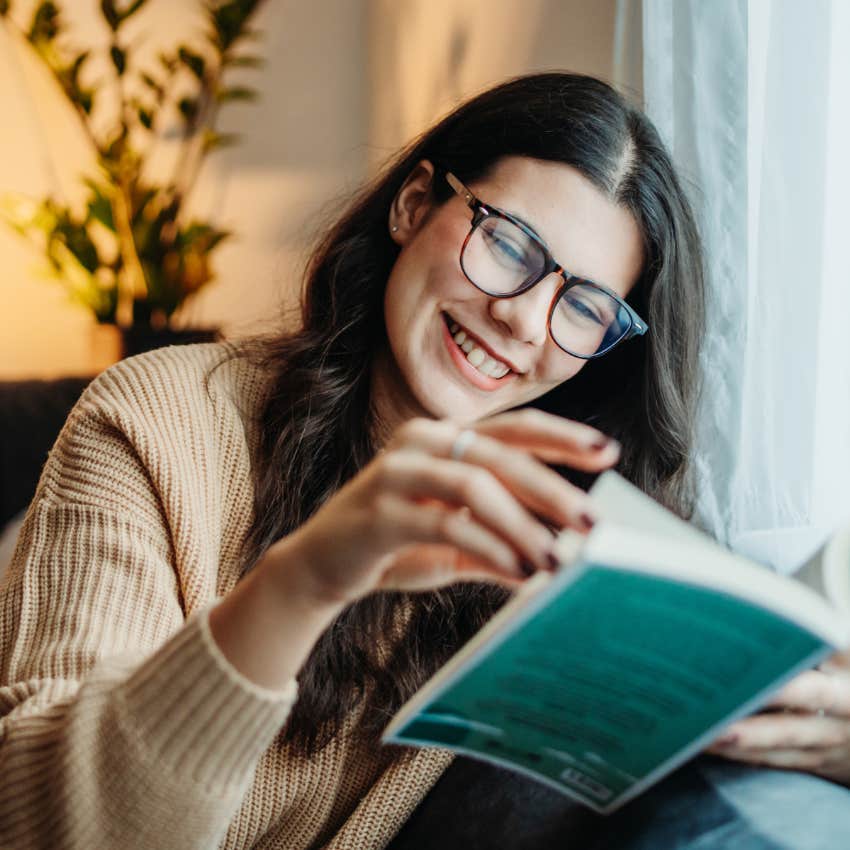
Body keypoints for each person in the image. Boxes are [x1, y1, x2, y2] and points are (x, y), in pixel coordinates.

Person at [1, 71, 848, 850]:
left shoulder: (582, 533)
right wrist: (308, 579)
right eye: (511, 246)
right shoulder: (156, 421)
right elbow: (55, 830)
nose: (523, 321)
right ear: (414, 204)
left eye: (584, 305)